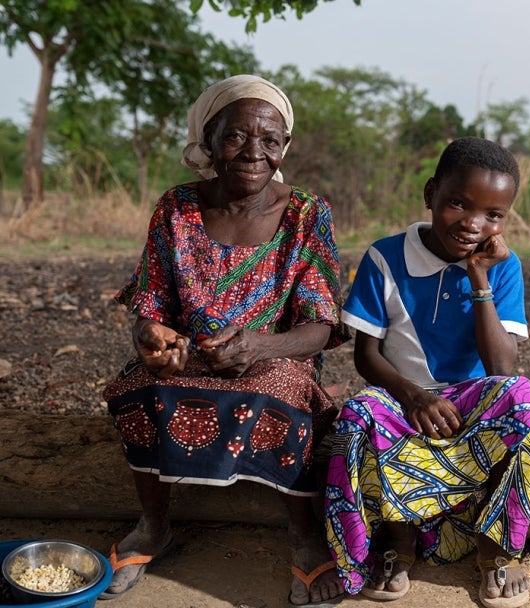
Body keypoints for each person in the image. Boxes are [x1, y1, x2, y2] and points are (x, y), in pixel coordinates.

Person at [101, 74, 349, 607]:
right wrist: (151, 335)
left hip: (276, 358)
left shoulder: (306, 215)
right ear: (207, 139)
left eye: (271, 139)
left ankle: (306, 539)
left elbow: (322, 325)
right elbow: (150, 301)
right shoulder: (177, 208)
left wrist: (258, 346)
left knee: (281, 394)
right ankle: (154, 524)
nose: (254, 152)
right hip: (190, 358)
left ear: (284, 145)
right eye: (236, 136)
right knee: (139, 385)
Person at [324, 137, 530, 607]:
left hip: (472, 402)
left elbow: (500, 369)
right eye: (458, 203)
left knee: (525, 401)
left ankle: (497, 551)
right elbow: (366, 356)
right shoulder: (384, 258)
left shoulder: (503, 266)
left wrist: (478, 277)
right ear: (430, 193)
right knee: (357, 414)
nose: (473, 223)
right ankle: (396, 541)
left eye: (493, 214)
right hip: (402, 398)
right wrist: (414, 397)